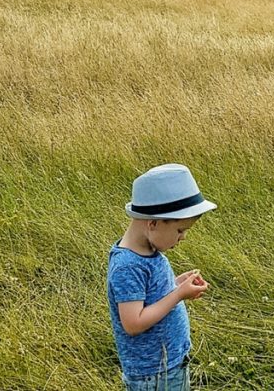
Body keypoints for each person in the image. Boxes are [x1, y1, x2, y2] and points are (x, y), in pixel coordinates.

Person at [107, 163, 217, 390]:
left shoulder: (149, 251)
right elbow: (133, 323)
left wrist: (177, 283)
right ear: (153, 223)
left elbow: (151, 294)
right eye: (180, 230)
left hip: (171, 365)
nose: (183, 237)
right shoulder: (128, 266)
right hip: (154, 375)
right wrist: (178, 295)